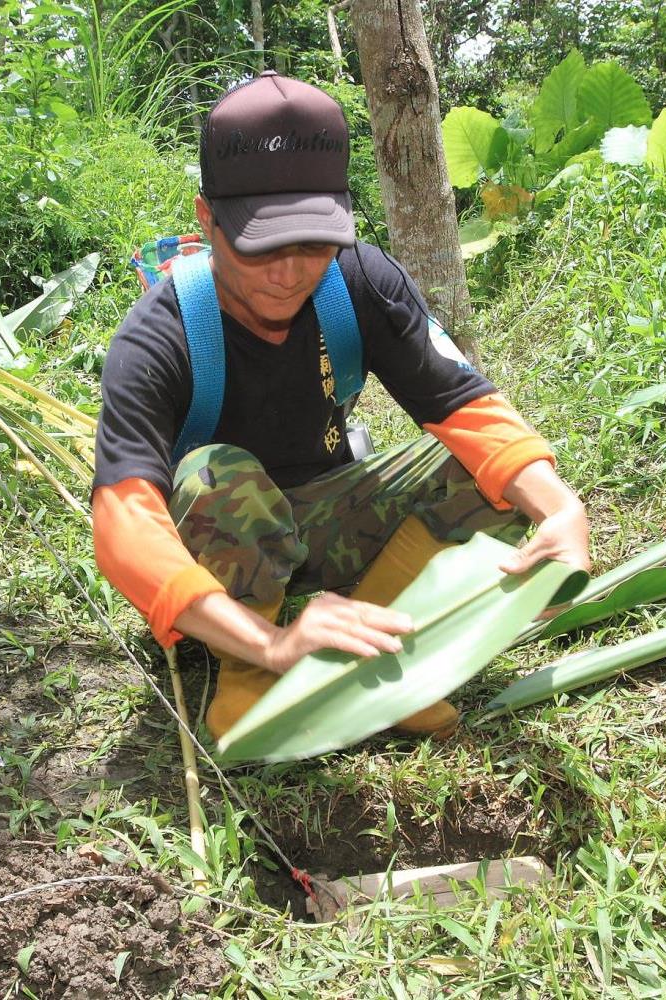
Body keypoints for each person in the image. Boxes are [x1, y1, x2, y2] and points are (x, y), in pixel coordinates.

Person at [92, 71, 589, 741]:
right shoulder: (160, 334)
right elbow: (124, 522)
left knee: (484, 471)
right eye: (262, 245)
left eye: (314, 242)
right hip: (221, 551)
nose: (290, 272)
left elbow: (464, 405)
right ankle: (251, 678)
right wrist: (269, 644)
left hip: (330, 517)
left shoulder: (362, 281)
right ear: (207, 219)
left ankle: (381, 651)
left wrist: (560, 507)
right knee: (217, 473)